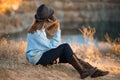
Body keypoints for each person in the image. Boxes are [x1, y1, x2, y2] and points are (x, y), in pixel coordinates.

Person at [26, 4, 109, 79]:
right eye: (50, 16)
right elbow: (53, 46)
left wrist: (55, 54)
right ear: (47, 19)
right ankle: (82, 72)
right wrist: (58, 29)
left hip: (39, 56)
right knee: (65, 46)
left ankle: (92, 70)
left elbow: (46, 47)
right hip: (38, 59)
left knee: (68, 54)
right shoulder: (37, 33)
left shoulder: (36, 29)